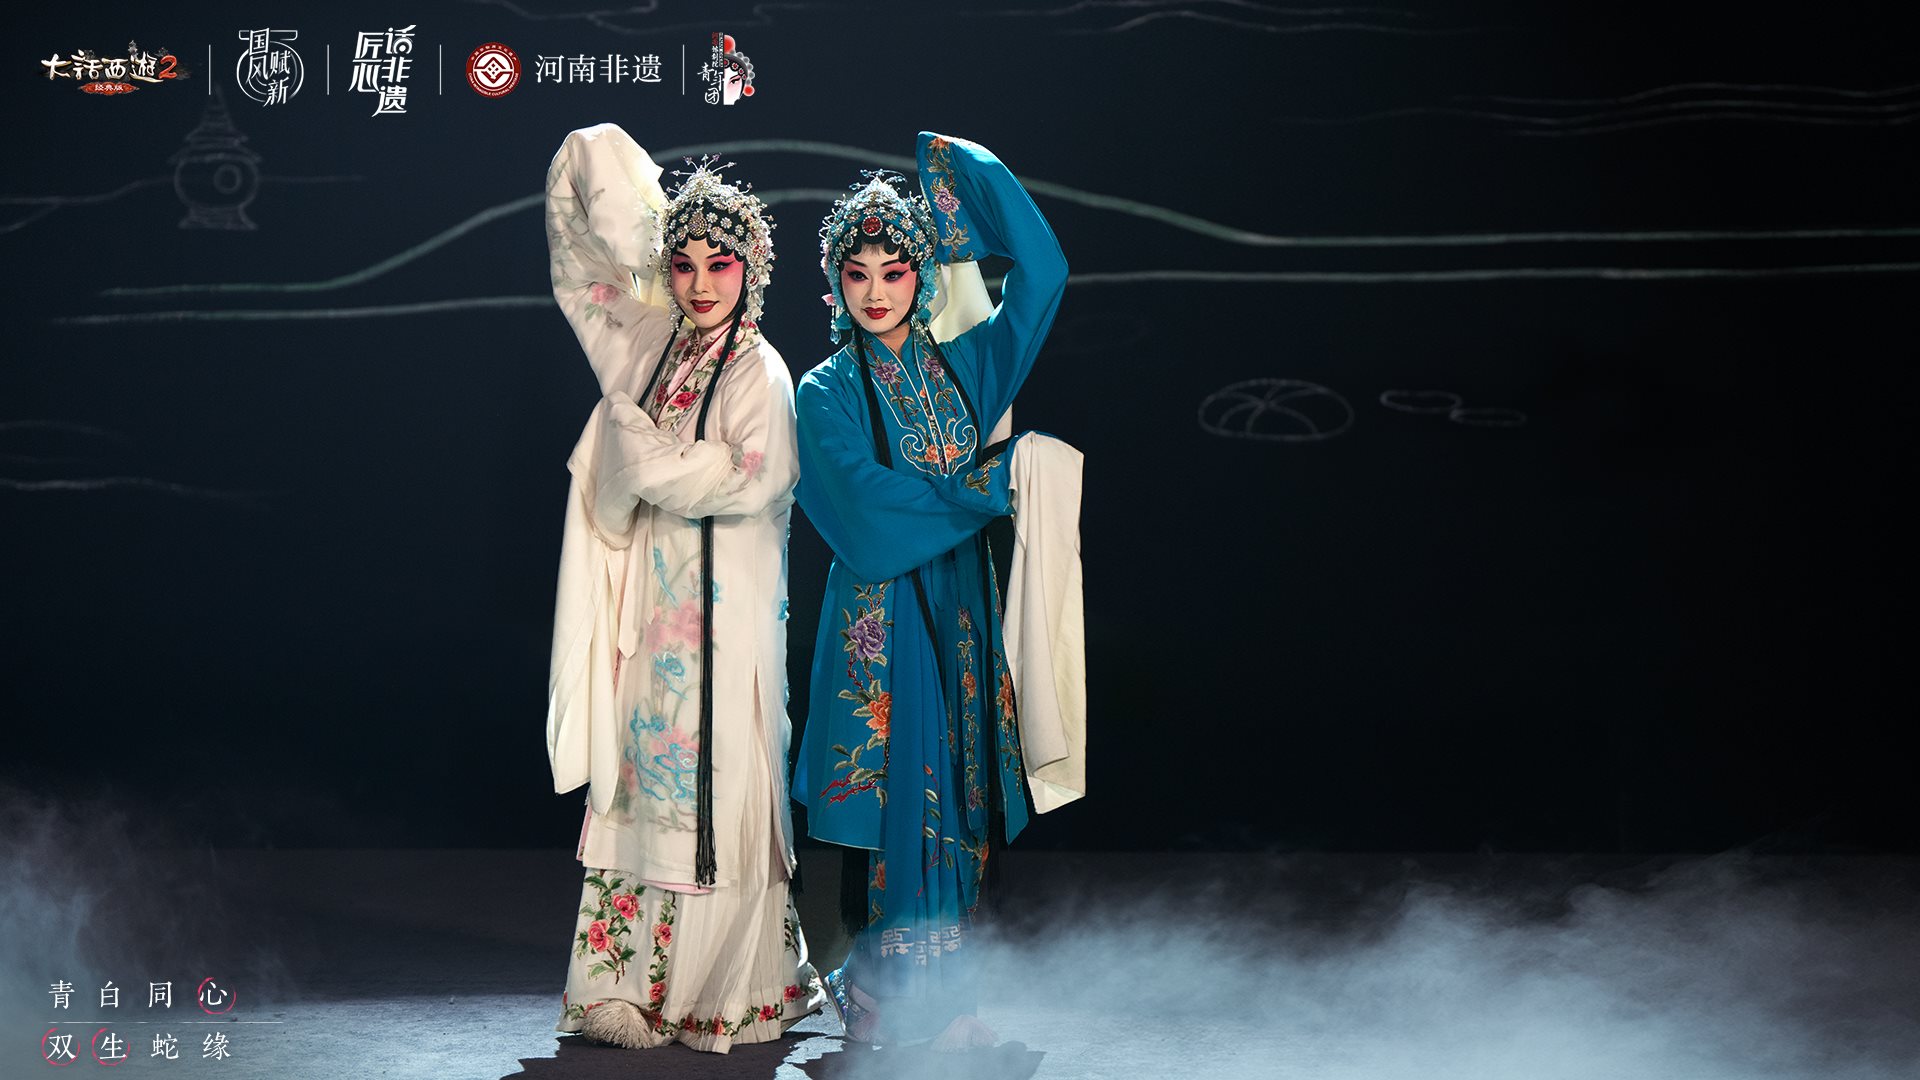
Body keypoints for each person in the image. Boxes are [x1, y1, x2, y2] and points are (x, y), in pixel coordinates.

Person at [542, 123, 823, 1052]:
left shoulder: (761, 371)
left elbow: (749, 479)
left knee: (720, 796)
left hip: (727, 637)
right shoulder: (655, 346)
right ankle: (618, 990)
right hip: (652, 629)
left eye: (721, 264)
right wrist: (637, 225)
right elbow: (579, 252)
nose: (701, 283)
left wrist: (629, 445)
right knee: (639, 801)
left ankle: (716, 993)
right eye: (685, 264)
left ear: (754, 269)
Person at [791, 132, 1070, 1049]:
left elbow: (1044, 275)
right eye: (857, 273)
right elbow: (862, 508)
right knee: (904, 799)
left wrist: (967, 180)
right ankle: (891, 997)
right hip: (886, 611)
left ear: (923, 274)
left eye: (896, 270)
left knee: (961, 794)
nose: (876, 291)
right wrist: (986, 488)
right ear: (835, 281)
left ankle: (936, 1002)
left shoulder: (965, 365)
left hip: (959, 608)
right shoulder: (824, 390)